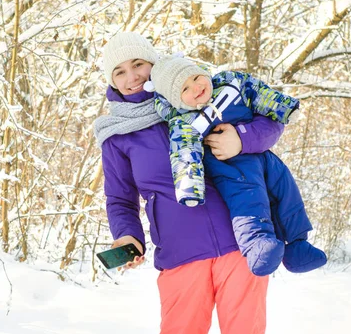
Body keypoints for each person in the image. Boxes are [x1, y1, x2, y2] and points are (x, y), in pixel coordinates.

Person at [94, 31, 284, 334]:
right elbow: (119, 199)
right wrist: (127, 236)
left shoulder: (190, 93)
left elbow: (271, 120)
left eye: (138, 64)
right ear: (112, 81)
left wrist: (241, 139)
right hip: (180, 252)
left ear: (153, 63)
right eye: (120, 71)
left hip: (239, 242)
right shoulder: (117, 137)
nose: (132, 76)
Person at [146, 55, 327, 276]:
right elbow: (184, 153)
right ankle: (256, 246)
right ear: (178, 100)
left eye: (195, 77)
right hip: (230, 168)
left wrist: (284, 107)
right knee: (248, 202)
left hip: (262, 155)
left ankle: (298, 245)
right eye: (185, 89)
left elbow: (258, 92)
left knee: (287, 192)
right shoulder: (184, 122)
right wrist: (189, 188)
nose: (196, 87)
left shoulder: (230, 83)